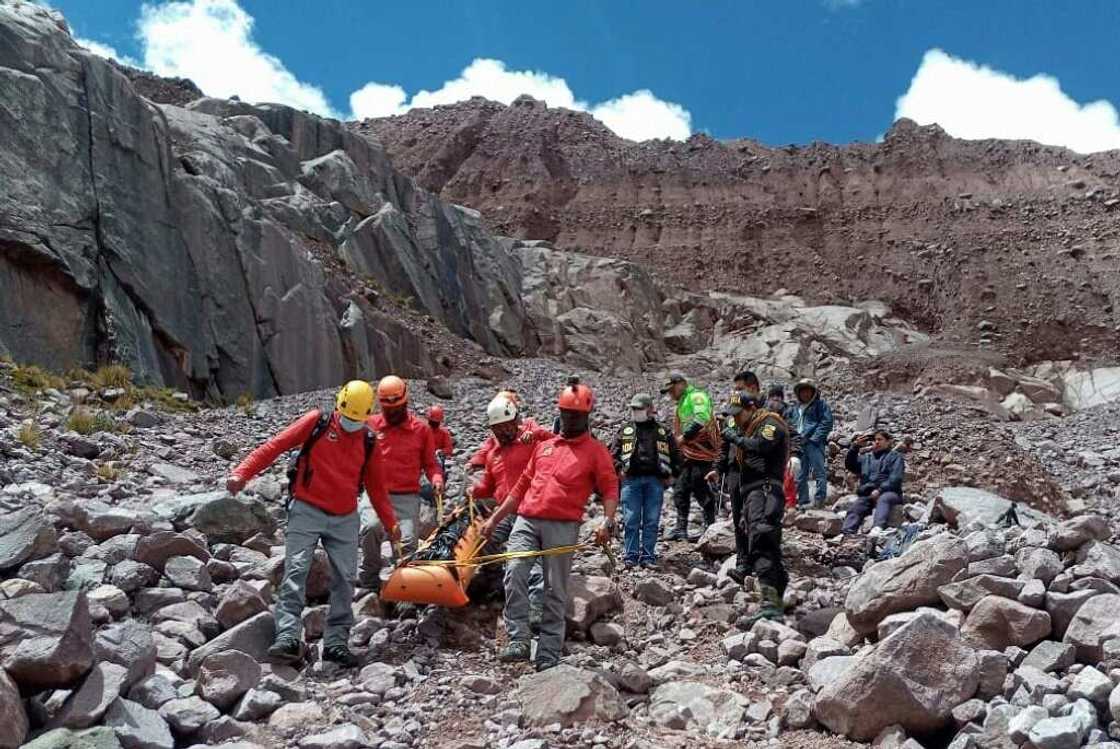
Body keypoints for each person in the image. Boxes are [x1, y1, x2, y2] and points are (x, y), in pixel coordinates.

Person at [226, 381, 400, 667]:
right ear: (338, 405)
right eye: (347, 418)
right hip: (307, 509)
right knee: (296, 570)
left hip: (344, 517)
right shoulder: (316, 422)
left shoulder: (368, 441)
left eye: (358, 420)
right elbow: (275, 446)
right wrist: (242, 473)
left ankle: (335, 643)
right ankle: (288, 636)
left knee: (345, 579)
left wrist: (392, 525)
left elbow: (377, 489)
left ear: (367, 415)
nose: (351, 424)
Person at [480, 382, 619, 672]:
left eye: (575, 416)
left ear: (586, 417)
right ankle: (518, 638)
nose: (569, 420)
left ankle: (548, 651)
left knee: (554, 590)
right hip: (526, 519)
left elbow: (609, 489)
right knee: (515, 569)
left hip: (563, 525)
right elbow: (518, 490)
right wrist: (493, 520)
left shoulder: (596, 452)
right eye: (566, 414)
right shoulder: (544, 447)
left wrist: (607, 521)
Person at [707, 391, 790, 621]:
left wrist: (736, 438)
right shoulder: (746, 426)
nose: (736, 419)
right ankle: (776, 597)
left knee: (762, 541)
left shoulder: (770, 423)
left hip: (764, 490)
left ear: (751, 408)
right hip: (752, 492)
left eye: (739, 413)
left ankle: (771, 606)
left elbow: (762, 446)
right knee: (760, 541)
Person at [470, 394, 553, 623]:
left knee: (530, 556)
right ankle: (495, 580)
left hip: (532, 510)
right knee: (485, 540)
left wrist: (536, 434)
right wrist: (475, 491)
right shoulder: (493, 453)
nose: (502, 432)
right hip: (506, 511)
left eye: (506, 427)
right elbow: (488, 485)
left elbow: (557, 442)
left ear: (514, 421)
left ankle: (537, 607)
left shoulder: (530, 438)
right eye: (497, 429)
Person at [358, 375, 443, 590]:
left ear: (405, 402)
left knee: (407, 544)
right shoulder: (370, 425)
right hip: (375, 493)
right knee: (370, 528)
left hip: (406, 497)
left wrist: (437, 479)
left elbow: (431, 464)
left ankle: (404, 587)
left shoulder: (421, 430)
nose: (393, 413)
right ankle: (369, 579)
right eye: (388, 409)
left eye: (397, 408)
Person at [610, 393, 681, 568]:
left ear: (650, 409)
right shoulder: (625, 430)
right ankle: (631, 556)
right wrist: (619, 469)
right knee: (631, 519)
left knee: (651, 520)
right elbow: (612, 454)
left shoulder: (663, 431)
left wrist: (673, 475)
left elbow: (677, 456)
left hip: (655, 481)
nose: (635, 411)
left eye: (639, 408)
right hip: (630, 481)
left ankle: (648, 556)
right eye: (633, 408)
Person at [661, 372, 720, 541]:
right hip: (688, 453)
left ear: (681, 384)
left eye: (672, 389)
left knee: (700, 487)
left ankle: (710, 528)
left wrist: (683, 438)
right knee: (681, 490)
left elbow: (703, 418)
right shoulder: (682, 402)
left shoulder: (696, 397)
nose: (670, 394)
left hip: (702, 452)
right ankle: (681, 528)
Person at [842, 430, 905, 536]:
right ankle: (847, 532)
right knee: (858, 505)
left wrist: (880, 490)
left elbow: (895, 478)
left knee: (884, 499)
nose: (876, 442)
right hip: (869, 494)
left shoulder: (895, 457)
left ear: (888, 442)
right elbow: (850, 465)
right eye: (875, 440)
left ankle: (877, 527)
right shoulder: (867, 458)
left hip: (889, 492)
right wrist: (855, 447)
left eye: (880, 439)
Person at [786, 378, 834, 508]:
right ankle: (803, 501)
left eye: (808, 391)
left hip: (814, 444)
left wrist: (815, 438)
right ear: (799, 393)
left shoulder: (820, 405)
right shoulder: (794, 409)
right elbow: (788, 423)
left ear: (813, 392)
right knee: (801, 474)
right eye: (803, 391)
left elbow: (827, 422)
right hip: (799, 443)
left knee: (819, 472)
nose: (805, 394)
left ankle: (819, 500)